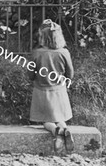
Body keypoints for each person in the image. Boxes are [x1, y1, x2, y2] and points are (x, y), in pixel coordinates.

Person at [29, 19, 75, 153]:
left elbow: (31, 73)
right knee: (59, 118)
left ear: (42, 36)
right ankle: (64, 129)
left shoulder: (37, 53)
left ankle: (56, 131)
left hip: (41, 91)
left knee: (45, 120)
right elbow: (70, 73)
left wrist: (33, 78)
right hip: (59, 90)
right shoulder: (64, 52)